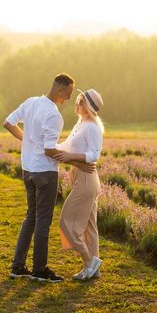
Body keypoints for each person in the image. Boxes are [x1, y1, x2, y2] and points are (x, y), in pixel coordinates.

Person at [3, 73, 96, 283]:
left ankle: (17, 267)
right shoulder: (54, 115)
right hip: (45, 172)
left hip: (28, 170)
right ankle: (40, 270)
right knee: (43, 222)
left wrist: (27, 140)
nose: (70, 98)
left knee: (31, 217)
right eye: (70, 93)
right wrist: (77, 162)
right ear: (60, 90)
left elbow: (8, 123)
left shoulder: (31, 102)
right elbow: (48, 150)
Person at [54, 89, 105, 281]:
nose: (77, 104)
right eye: (77, 100)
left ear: (89, 108)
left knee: (67, 222)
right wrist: (48, 145)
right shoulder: (80, 124)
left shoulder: (92, 127)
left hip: (86, 178)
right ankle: (93, 269)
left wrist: (70, 157)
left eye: (81, 102)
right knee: (89, 227)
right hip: (79, 176)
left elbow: (94, 156)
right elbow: (65, 146)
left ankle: (89, 261)